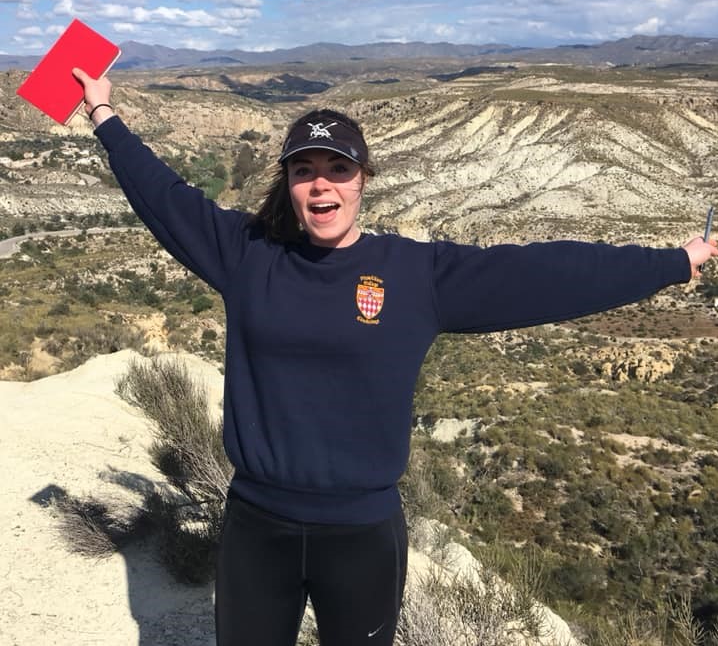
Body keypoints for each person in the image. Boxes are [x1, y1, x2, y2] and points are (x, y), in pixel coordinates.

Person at [72, 66, 717, 646]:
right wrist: (103, 114)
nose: (321, 187)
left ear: (364, 180)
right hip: (255, 528)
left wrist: (670, 263)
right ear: (288, 183)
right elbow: (164, 196)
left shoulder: (414, 275)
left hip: (362, 538)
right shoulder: (248, 256)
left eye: (338, 170)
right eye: (304, 171)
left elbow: (548, 272)